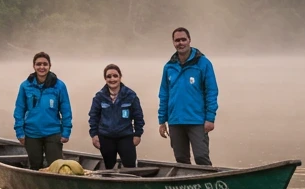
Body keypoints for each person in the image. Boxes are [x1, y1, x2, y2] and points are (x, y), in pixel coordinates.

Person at [157, 27, 218, 166]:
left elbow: (211, 91)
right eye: (177, 40)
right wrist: (162, 120)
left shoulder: (203, 63)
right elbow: (164, 94)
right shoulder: (169, 67)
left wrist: (210, 117)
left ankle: (208, 185)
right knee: (181, 159)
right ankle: (187, 186)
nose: (181, 43)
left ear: (189, 40)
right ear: (173, 42)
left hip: (197, 120)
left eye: (183, 39)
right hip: (175, 121)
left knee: (201, 157)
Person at [13, 51, 72, 170]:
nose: (42, 67)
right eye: (38, 64)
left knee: (56, 167)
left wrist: (66, 132)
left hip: (53, 132)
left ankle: (54, 188)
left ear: (50, 66)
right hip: (31, 133)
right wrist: (19, 131)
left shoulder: (59, 86)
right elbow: (19, 110)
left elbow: (66, 110)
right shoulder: (25, 86)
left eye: (45, 64)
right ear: (33, 66)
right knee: (35, 166)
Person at [88, 63, 144, 169]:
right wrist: (94, 135)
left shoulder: (130, 95)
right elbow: (93, 117)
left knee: (130, 167)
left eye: (115, 76)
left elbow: (138, 117)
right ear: (105, 79)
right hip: (105, 137)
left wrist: (137, 134)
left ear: (120, 77)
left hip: (126, 137)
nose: (112, 79)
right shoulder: (99, 97)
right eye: (109, 76)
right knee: (109, 168)